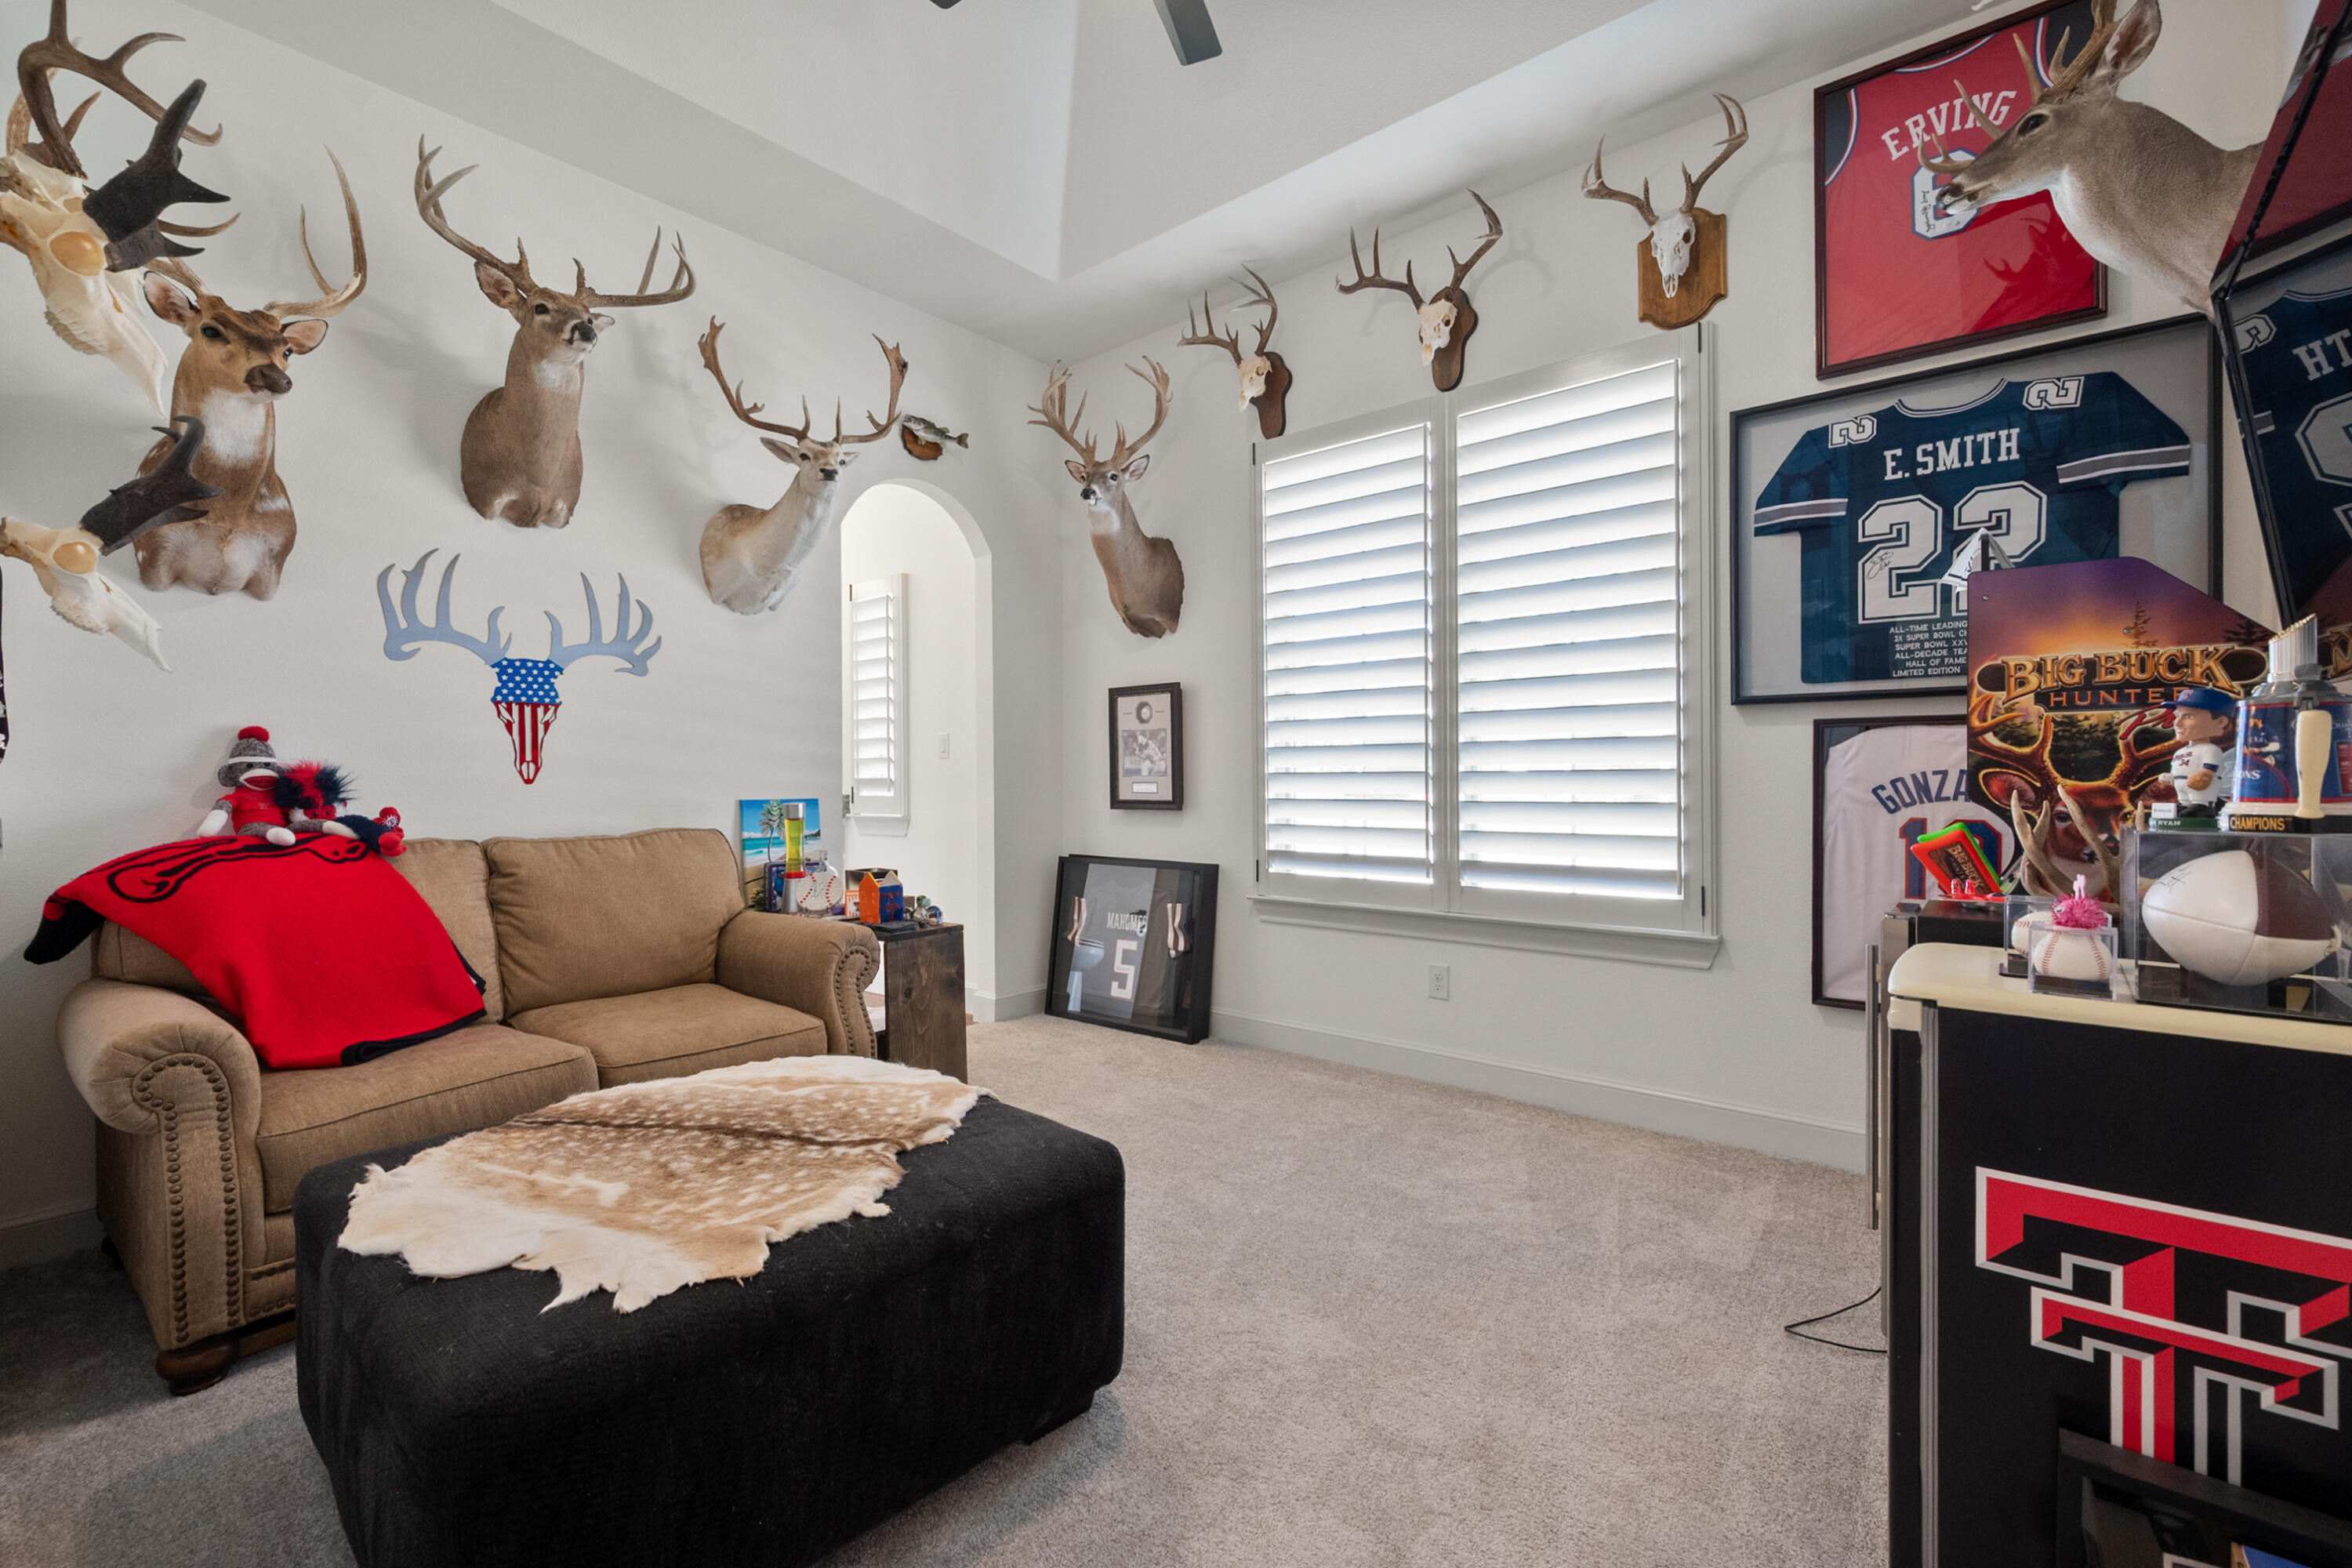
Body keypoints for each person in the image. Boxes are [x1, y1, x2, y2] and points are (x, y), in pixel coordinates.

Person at [2165, 688, 2237, 817]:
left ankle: (2202, 807)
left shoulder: (2211, 749)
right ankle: (2184, 805)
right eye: (2177, 716)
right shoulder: (2180, 752)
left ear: (2221, 722)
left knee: (2199, 801)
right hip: (2182, 788)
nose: (2177, 723)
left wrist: (2205, 774)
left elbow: (2209, 768)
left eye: (2189, 716)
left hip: (2201, 789)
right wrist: (2169, 777)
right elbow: (2176, 769)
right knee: (2182, 806)